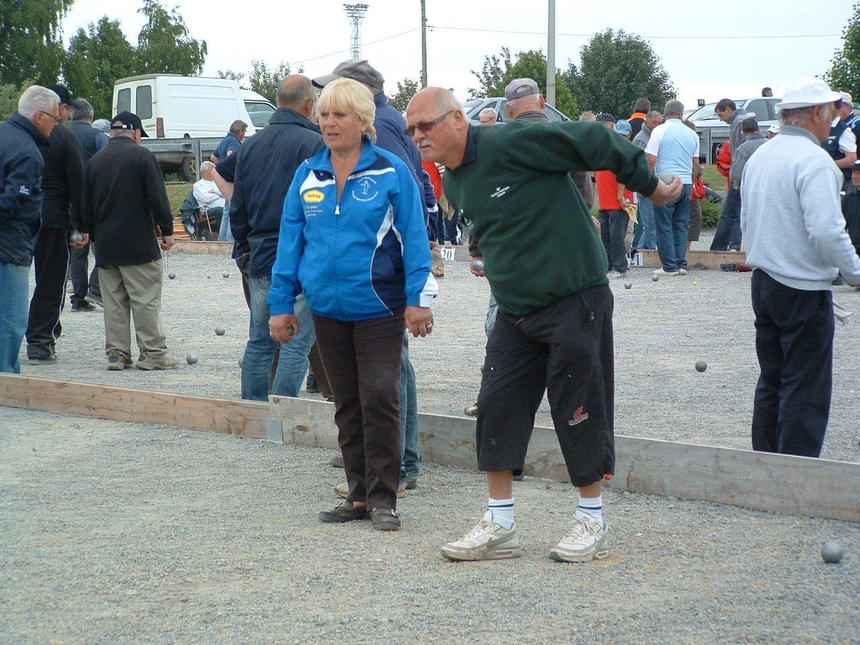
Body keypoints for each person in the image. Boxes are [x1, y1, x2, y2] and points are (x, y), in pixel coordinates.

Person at [406, 87, 680, 562]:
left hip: (573, 296)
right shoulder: (453, 179)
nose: (416, 136)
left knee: (578, 407)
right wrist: (485, 254)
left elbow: (595, 139)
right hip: (514, 309)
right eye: (411, 129)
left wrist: (651, 186)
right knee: (496, 408)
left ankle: (591, 519)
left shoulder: (511, 141)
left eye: (424, 125)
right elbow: (487, 224)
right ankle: (501, 523)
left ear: (456, 120)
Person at [269, 78, 437, 531]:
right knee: (345, 402)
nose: (329, 123)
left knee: (379, 395)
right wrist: (280, 304)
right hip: (327, 309)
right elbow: (290, 244)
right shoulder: (308, 174)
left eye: (339, 115)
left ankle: (385, 498)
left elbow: (415, 241)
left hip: (380, 307)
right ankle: (358, 494)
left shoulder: (390, 171)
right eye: (323, 114)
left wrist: (418, 300)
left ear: (362, 121)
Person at [313, 59, 438, 494]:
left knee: (386, 380)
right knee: (384, 378)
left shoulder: (378, 131)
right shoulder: (383, 123)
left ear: (359, 100)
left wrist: (415, 289)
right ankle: (382, 467)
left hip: (381, 283)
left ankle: (399, 466)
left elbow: (407, 203)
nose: (329, 116)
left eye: (337, 103)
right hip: (368, 284)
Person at [741, 77, 860, 458]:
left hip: (765, 281)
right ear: (814, 115)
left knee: (772, 379)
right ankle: (796, 470)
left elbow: (748, 220)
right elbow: (827, 230)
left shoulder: (763, 154)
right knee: (804, 385)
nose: (833, 120)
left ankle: (766, 459)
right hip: (802, 287)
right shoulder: (813, 161)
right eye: (830, 112)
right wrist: (855, 273)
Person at [229, 75, 322, 401]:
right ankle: (283, 413)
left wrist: (243, 249)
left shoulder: (250, 145)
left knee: (259, 339)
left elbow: (237, 205)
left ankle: (252, 410)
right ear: (310, 104)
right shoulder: (314, 143)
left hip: (260, 253)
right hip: (300, 254)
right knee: (296, 341)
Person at [79, 111, 177, 371]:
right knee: (144, 299)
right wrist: (167, 229)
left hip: (106, 245)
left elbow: (85, 203)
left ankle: (117, 353)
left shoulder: (96, 160)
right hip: (138, 243)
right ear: (135, 133)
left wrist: (85, 231)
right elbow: (157, 197)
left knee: (113, 303)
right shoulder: (142, 156)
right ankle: (152, 353)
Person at [25, 84, 87, 364]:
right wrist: (83, 224)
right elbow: (78, 183)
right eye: (65, 108)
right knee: (51, 281)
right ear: (57, 108)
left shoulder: (18, 134)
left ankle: (41, 331)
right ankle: (40, 340)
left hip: (18, 216)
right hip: (53, 217)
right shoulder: (64, 136)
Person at [0, 86, 60, 373]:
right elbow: (12, 202)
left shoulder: (3, 133)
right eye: (55, 118)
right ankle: (7, 379)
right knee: (11, 319)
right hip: (9, 245)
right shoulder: (28, 152)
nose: (56, 124)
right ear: (39, 116)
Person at [646, 99, 700, 276]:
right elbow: (696, 164)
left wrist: (647, 182)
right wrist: (691, 183)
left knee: (664, 224)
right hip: (685, 182)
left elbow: (651, 159)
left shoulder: (659, 131)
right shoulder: (692, 134)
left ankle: (670, 266)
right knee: (681, 224)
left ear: (664, 114)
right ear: (682, 114)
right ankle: (681, 263)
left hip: (665, 181)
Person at [68, 98, 108, 313]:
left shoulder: (59, 134)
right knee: (102, 245)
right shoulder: (98, 136)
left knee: (78, 250)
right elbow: (108, 164)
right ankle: (95, 288)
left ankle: (78, 298)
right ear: (90, 117)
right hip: (93, 199)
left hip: (68, 202)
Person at [710, 98, 749, 251]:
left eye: (721, 115)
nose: (721, 119)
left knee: (730, 213)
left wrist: (736, 174)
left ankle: (725, 248)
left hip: (739, 176)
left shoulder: (739, 122)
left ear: (728, 109)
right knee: (735, 212)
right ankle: (731, 246)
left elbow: (741, 151)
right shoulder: (741, 120)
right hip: (742, 174)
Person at [596, 119, 634, 277]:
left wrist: (620, 195)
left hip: (619, 201)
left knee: (616, 235)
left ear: (629, 136)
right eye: (619, 134)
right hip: (606, 200)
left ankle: (620, 267)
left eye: (624, 135)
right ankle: (608, 265)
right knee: (606, 235)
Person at [631, 110, 663, 252]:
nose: (656, 125)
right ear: (646, 121)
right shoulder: (641, 139)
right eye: (654, 123)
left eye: (659, 123)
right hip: (645, 184)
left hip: (653, 184)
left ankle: (643, 249)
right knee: (648, 222)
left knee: (650, 221)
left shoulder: (655, 136)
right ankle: (645, 250)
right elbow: (639, 165)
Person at [192, 161, 225, 234]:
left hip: (225, 206)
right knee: (220, 210)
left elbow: (226, 193)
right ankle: (223, 234)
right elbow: (206, 198)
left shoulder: (217, 182)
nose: (215, 172)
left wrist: (215, 192)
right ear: (205, 172)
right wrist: (219, 194)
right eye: (213, 170)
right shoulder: (198, 185)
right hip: (209, 209)